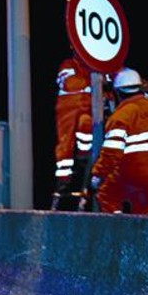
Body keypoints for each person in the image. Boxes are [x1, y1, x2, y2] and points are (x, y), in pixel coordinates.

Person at [89, 67, 148, 214]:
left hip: (135, 174)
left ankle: (120, 231)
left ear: (118, 92)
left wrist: (97, 177)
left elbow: (111, 153)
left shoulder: (121, 116)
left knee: (106, 194)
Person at [51, 53, 95, 210]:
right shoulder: (68, 64)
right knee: (65, 147)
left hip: (86, 111)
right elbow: (70, 83)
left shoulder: (95, 67)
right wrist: (94, 81)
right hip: (67, 111)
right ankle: (63, 181)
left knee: (86, 126)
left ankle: (83, 157)